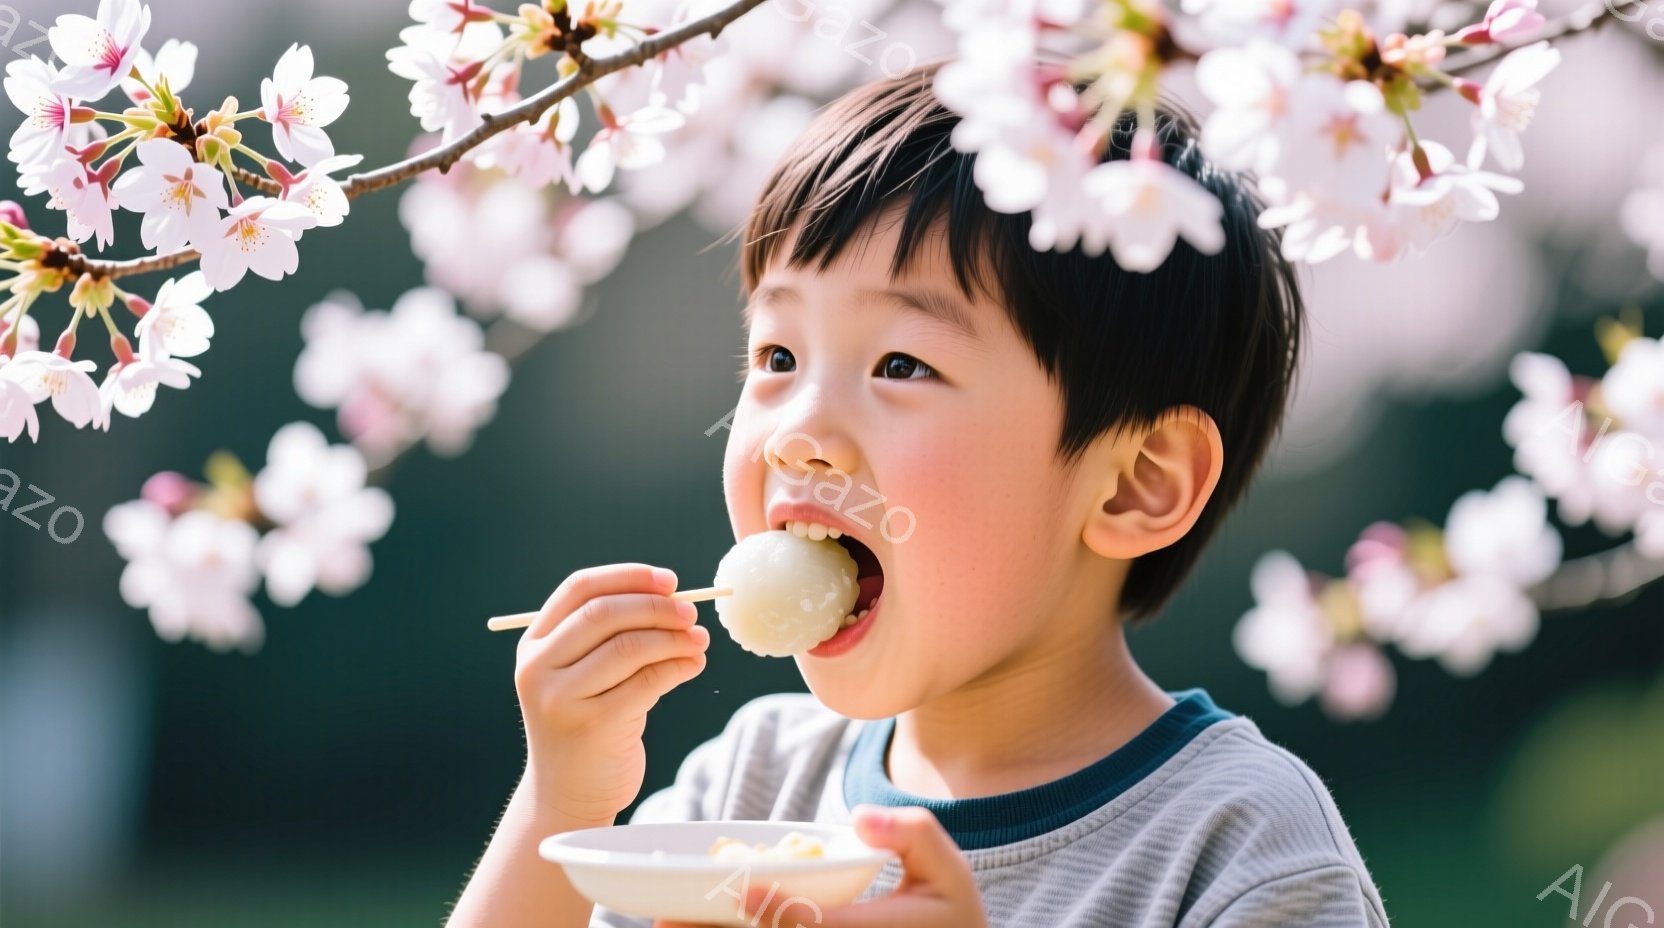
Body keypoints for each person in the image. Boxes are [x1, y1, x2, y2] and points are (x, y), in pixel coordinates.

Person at [446, 58, 1390, 928]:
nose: (800, 433)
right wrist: (562, 803)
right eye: (777, 355)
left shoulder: (1237, 845)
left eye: (901, 363)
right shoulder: (748, 788)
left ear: (1136, 483)